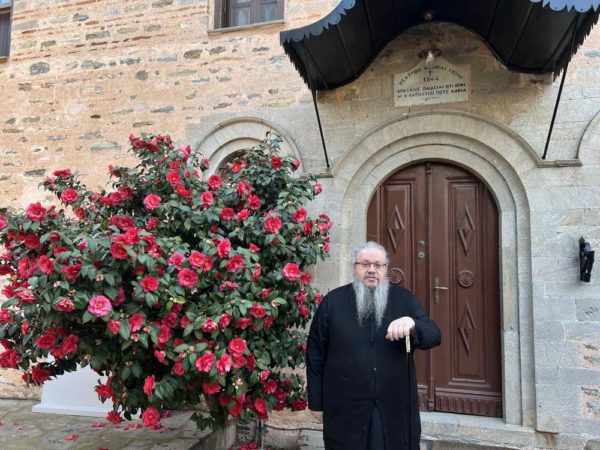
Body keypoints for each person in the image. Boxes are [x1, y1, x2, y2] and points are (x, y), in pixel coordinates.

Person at [306, 241, 441, 450]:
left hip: (394, 405)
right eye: (365, 264)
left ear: (385, 269)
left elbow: (434, 335)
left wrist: (413, 324)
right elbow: (315, 354)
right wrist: (316, 402)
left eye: (378, 265)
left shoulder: (404, 300)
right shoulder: (333, 302)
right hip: (345, 405)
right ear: (354, 268)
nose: (372, 270)